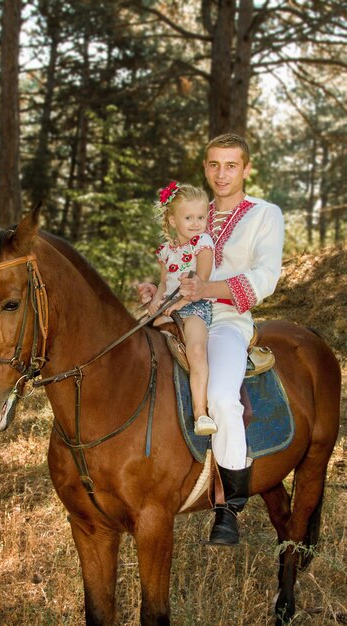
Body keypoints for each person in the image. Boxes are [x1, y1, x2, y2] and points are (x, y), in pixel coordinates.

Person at [138, 133, 284, 545]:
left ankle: (228, 506)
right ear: (205, 168)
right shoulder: (190, 210)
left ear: (246, 169)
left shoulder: (263, 214)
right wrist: (157, 290)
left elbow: (264, 279)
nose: (222, 174)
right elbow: (176, 265)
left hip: (226, 317)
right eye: (214, 165)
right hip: (174, 310)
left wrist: (206, 290)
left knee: (221, 396)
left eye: (231, 165)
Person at [149, 182, 216, 436]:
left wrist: (180, 304)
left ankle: (200, 412)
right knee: (140, 339)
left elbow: (202, 280)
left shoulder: (203, 244)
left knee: (196, 349)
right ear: (172, 220)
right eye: (189, 217)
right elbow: (165, 281)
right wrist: (157, 298)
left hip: (195, 307)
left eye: (201, 217)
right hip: (168, 307)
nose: (197, 223)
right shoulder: (166, 251)